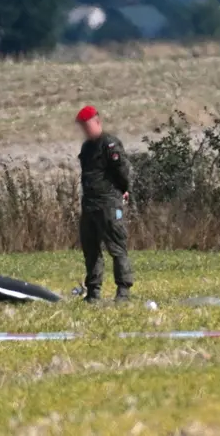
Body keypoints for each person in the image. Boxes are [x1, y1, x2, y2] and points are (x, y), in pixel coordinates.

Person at [75, 105, 134, 303]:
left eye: (87, 125)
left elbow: (122, 171)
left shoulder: (110, 144)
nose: (85, 130)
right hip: (90, 205)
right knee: (91, 250)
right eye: (82, 127)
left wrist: (124, 189)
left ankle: (123, 291)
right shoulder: (86, 148)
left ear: (97, 122)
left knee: (117, 248)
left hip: (109, 203)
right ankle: (93, 292)